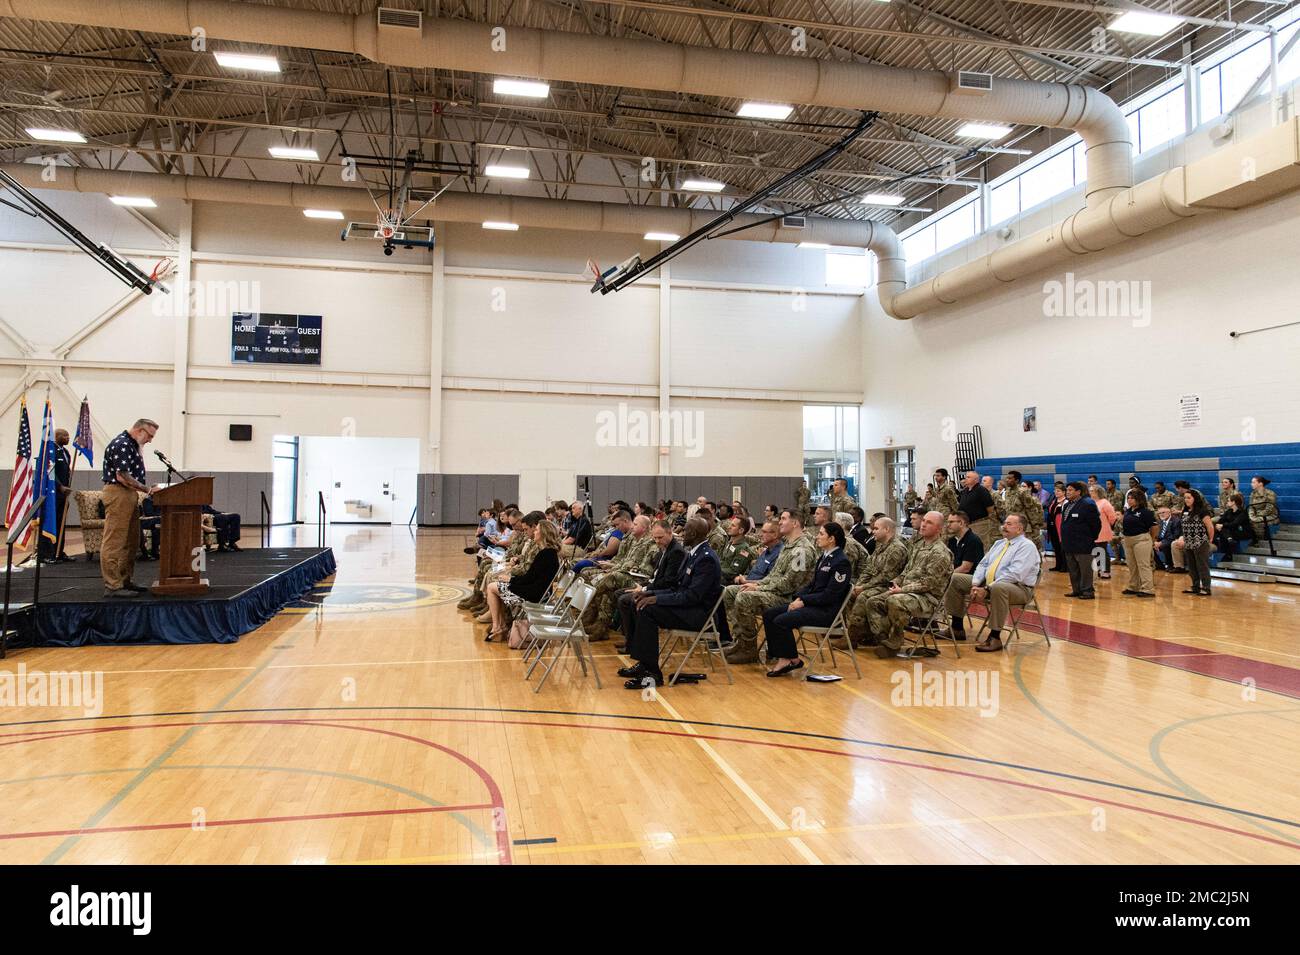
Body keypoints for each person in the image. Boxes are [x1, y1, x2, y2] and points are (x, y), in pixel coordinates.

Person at [619, 516, 722, 689]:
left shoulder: (706, 559)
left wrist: (657, 598)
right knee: (642, 603)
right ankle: (645, 664)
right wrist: (651, 593)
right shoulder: (694, 553)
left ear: (694, 533)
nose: (679, 532)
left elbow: (691, 596)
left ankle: (652, 673)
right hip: (688, 608)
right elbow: (678, 588)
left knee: (647, 610)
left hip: (698, 616)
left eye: (685, 529)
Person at [720, 511, 816, 664]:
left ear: (795, 523)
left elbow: (790, 584)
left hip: (788, 598)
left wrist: (758, 588)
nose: (780, 523)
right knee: (730, 591)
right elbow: (774, 577)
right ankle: (741, 642)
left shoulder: (801, 550)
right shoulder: (789, 545)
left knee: (744, 597)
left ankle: (749, 650)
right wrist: (755, 584)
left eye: (784, 519)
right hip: (774, 590)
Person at [760, 522, 852, 678]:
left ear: (831, 539)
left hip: (826, 611)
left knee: (781, 620)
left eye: (821, 534)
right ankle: (792, 658)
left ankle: (785, 660)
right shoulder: (824, 557)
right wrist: (798, 598)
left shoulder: (840, 562)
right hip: (813, 605)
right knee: (770, 614)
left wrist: (803, 602)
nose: (817, 537)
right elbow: (812, 585)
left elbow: (830, 595)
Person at [942, 514, 1041, 652]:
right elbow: (983, 564)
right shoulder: (999, 543)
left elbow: (1015, 574)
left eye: (1009, 524)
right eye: (1004, 523)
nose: (1004, 526)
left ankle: (995, 637)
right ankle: (957, 627)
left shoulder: (1027, 547)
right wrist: (976, 584)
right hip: (988, 583)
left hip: (1019, 588)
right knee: (955, 578)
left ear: (1019, 529)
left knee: (999, 588)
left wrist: (988, 589)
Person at [860, 511, 952, 658]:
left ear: (939, 529)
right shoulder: (918, 546)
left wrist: (901, 590)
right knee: (874, 601)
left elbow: (928, 584)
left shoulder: (940, 553)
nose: (923, 524)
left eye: (929, 523)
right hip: (907, 592)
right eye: (924, 521)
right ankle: (884, 640)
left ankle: (895, 641)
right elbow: (906, 572)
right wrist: (894, 583)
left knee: (894, 600)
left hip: (927, 598)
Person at [99, 418, 161, 598]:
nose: (150, 440)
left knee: (131, 540)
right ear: (140, 430)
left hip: (129, 494)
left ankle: (125, 580)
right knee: (115, 540)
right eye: (149, 435)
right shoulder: (122, 444)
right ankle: (112, 585)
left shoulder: (132, 445)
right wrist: (148, 489)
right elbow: (122, 476)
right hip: (118, 493)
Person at [483, 515, 560, 641]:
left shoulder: (546, 554)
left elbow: (529, 579)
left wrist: (511, 580)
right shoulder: (547, 552)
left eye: (537, 530)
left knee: (492, 587)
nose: (535, 532)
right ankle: (500, 626)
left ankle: (497, 628)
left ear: (543, 534)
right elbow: (530, 577)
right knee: (497, 585)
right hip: (534, 591)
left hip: (533, 595)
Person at [614, 520, 686, 654]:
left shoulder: (676, 552)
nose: (657, 541)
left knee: (625, 600)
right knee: (619, 594)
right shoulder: (663, 549)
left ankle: (634, 644)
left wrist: (645, 589)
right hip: (654, 585)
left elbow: (668, 582)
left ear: (670, 533)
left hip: (665, 591)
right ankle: (631, 639)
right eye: (655, 538)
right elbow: (656, 576)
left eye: (660, 537)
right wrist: (642, 586)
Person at [842, 516, 909, 648]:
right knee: (850, 593)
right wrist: (859, 585)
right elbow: (868, 568)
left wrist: (864, 588)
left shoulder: (897, 549)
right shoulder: (880, 546)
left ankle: (853, 637)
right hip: (875, 584)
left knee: (863, 596)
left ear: (887, 529)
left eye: (876, 528)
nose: (873, 531)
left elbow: (886, 577)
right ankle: (865, 634)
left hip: (889, 586)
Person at [1060, 481, 1101, 599]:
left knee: (1085, 570)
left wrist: (1090, 538)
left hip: (1083, 543)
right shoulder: (1067, 504)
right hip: (1069, 544)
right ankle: (1076, 590)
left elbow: (1096, 524)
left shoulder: (1087, 504)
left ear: (1078, 492)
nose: (1068, 492)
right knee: (1073, 570)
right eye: (1067, 490)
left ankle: (1087, 591)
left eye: (1071, 490)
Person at [38, 428, 73, 562]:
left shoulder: (65, 452)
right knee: (49, 522)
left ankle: (58, 551)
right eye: (65, 435)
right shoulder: (50, 450)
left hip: (63, 494)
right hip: (52, 493)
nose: (68, 438)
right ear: (57, 436)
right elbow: (50, 471)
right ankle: (46, 554)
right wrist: (60, 486)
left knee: (61, 522)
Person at [1119, 489, 1158, 598]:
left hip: (1141, 539)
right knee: (1132, 565)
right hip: (1128, 540)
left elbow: (1155, 527)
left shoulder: (1146, 512)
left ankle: (1148, 589)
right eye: (1128, 498)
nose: (1129, 500)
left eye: (1132, 498)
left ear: (1139, 499)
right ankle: (1134, 586)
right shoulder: (1128, 511)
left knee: (1143, 565)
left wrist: (1152, 539)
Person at [1177, 488, 1215, 596]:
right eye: (1185, 498)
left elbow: (1210, 526)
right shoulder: (1185, 511)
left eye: (1189, 498)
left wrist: (1210, 540)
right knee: (1192, 566)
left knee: (1202, 565)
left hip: (1200, 542)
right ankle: (1195, 586)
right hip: (1188, 542)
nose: (1186, 500)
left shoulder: (1202, 511)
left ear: (1195, 498)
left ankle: (1206, 588)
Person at [957, 470, 998, 551]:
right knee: (970, 547)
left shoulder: (981, 490)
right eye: (966, 477)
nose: (966, 479)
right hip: (967, 524)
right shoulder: (965, 491)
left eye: (968, 477)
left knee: (982, 546)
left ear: (976, 479)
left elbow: (990, 507)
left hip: (980, 523)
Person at [1214, 493, 1256, 557]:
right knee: (1218, 531)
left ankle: (1227, 554)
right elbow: (1220, 521)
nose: (1227, 502)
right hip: (1231, 530)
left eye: (1228, 501)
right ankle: (1229, 540)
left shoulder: (1242, 512)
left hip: (1242, 532)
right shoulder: (1229, 511)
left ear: (1233, 502)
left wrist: (1222, 525)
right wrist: (1219, 525)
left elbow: (1235, 524)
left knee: (1224, 531)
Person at [1089, 485, 1117, 578]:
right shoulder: (1091, 502)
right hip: (1093, 531)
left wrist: (1107, 526)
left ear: (1098, 492)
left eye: (1092, 490)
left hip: (1102, 531)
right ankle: (1100, 569)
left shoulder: (1105, 502)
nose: (1090, 492)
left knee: (1102, 551)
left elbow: (1112, 517)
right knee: (1096, 551)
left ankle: (1106, 571)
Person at [1248, 476, 1280, 550]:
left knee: (1256, 521)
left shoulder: (1270, 493)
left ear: (1260, 484)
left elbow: (1269, 509)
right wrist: (1252, 516)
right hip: (1256, 515)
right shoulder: (1253, 494)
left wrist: (1257, 516)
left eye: (1253, 482)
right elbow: (1250, 507)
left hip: (1271, 515)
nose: (1251, 484)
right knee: (1247, 520)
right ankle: (1254, 540)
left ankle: (1262, 539)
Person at [1045, 482, 1068, 573]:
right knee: (1056, 547)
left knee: (1062, 547)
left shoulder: (1066, 501)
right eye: (1055, 491)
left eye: (1058, 491)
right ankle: (1058, 565)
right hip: (1052, 526)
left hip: (1060, 527)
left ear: (1063, 492)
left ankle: (1064, 566)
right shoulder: (1054, 500)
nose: (1056, 492)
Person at [1154, 506, 1184, 572]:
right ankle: (1159, 565)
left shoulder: (1176, 521)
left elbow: (1175, 536)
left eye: (1163, 512)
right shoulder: (1161, 521)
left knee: (1165, 545)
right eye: (1159, 513)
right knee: (1150, 545)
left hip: (1173, 540)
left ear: (1169, 512)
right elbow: (1160, 535)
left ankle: (1170, 565)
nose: (1161, 514)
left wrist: (1161, 543)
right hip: (1164, 540)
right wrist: (1156, 542)